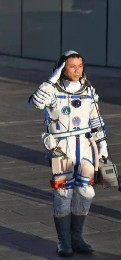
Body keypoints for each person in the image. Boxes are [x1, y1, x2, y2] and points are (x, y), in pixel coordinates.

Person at [30, 51, 109, 256]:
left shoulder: (88, 90)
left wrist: (103, 147)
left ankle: (77, 237)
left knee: (86, 191)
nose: (76, 70)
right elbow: (36, 102)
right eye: (72, 66)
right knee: (63, 193)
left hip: (84, 145)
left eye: (80, 66)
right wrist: (52, 79)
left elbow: (95, 120)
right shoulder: (51, 90)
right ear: (62, 68)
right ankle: (63, 241)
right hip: (61, 146)